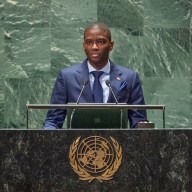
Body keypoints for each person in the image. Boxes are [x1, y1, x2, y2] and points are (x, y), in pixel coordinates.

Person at [43, 21, 148, 129]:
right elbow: (53, 120)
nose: (94, 47)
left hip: (117, 144)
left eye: (101, 42)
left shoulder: (130, 78)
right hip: (78, 144)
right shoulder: (66, 77)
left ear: (111, 45)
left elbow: (139, 122)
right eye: (89, 42)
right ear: (84, 46)